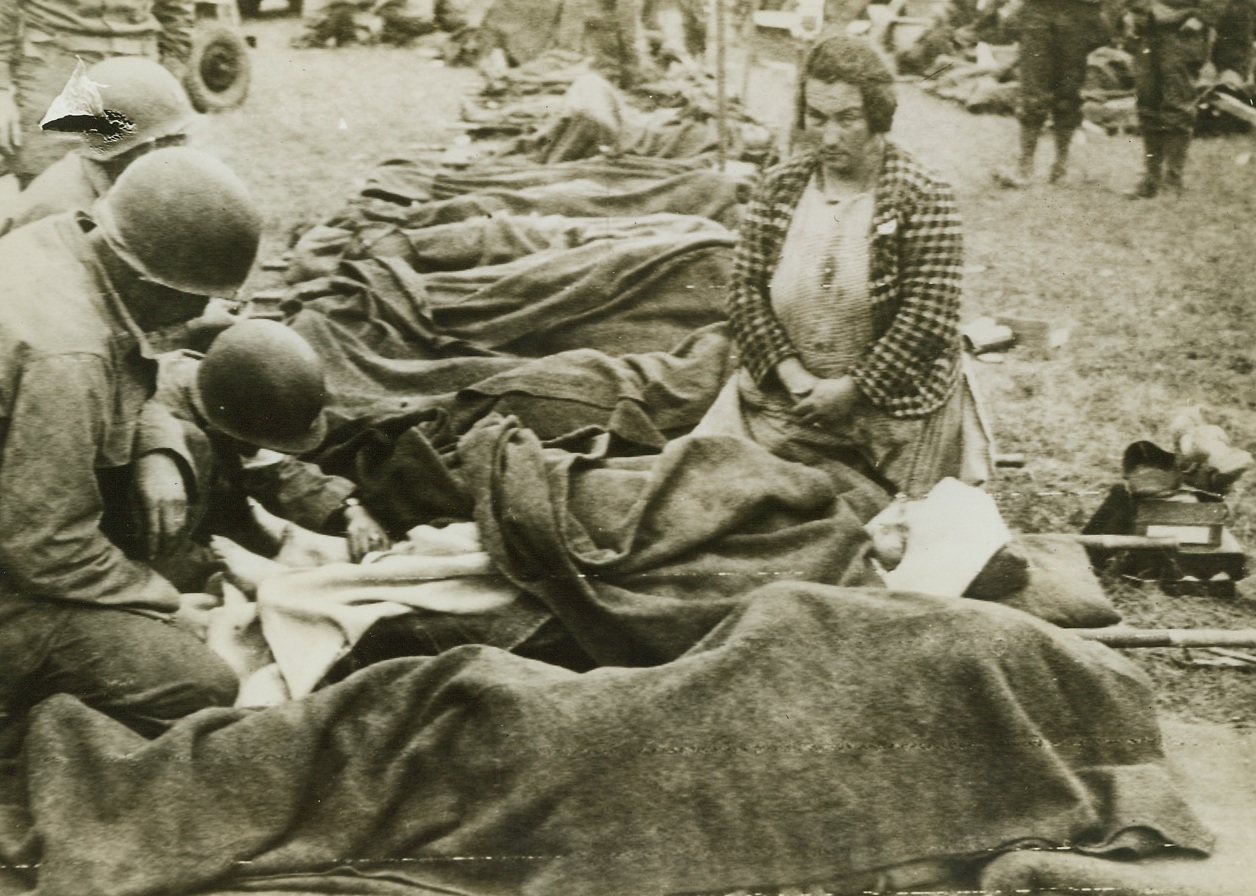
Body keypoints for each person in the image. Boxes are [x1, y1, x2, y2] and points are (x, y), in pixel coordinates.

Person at [0, 147, 262, 763]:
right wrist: (161, 604)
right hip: (17, 569)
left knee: (185, 484)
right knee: (202, 683)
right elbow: (45, 549)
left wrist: (153, 448)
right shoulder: (69, 359)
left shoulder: (62, 242)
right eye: (195, 297)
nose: (204, 312)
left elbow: (117, 355)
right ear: (148, 280)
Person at [714, 32, 990, 498]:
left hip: (893, 415)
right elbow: (744, 291)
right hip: (787, 405)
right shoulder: (780, 186)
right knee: (713, 493)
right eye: (817, 117)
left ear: (878, 116)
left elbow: (930, 316)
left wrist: (854, 389)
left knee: (886, 529)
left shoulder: (923, 194)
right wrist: (793, 377)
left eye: (848, 118)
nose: (830, 136)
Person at [138, 319, 391, 567]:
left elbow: (276, 470)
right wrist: (263, 565)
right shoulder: (161, 434)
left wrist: (351, 510)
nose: (260, 448)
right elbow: (161, 552)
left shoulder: (223, 391)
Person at [0, 0, 194, 185]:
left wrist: (170, 77)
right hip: (56, 69)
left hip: (138, 73)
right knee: (49, 182)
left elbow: (177, 15)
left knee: (144, 182)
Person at [0, 56, 198, 237]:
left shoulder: (113, 177)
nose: (185, 148)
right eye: (176, 140)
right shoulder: (63, 213)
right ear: (147, 148)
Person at [994, 0, 1113, 187]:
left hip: (1078, 14)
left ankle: (1061, 167)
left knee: (1068, 96)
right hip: (1038, 13)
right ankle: (1024, 168)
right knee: (1033, 95)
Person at [1125, 0, 1226, 197]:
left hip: (1183, 34)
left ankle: (1173, 180)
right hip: (1148, 30)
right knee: (1147, 105)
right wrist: (1128, 13)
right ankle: (1151, 179)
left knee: (1177, 106)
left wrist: (1202, 17)